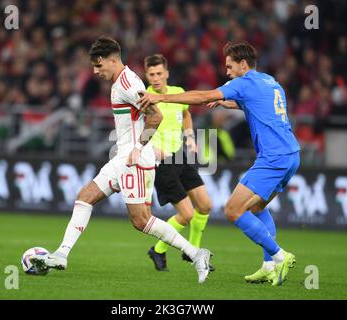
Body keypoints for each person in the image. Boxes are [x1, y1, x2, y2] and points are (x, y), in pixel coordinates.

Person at [29, 37, 212, 284]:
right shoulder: (120, 82)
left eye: (98, 65)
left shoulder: (128, 83)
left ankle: (196, 253)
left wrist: (138, 147)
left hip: (135, 159)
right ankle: (62, 254)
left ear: (112, 60)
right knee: (84, 198)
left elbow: (155, 116)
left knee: (141, 221)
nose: (95, 71)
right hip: (122, 157)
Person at [138, 42, 299, 286]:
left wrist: (161, 97)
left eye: (230, 66)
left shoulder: (244, 82)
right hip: (291, 155)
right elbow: (255, 104)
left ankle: (279, 256)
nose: (227, 72)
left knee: (233, 210)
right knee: (257, 208)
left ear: (243, 65)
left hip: (273, 157)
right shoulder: (270, 82)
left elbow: (203, 97)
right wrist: (229, 103)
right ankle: (268, 266)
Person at [144, 54, 214, 272]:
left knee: (205, 206)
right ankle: (158, 249)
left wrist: (190, 137)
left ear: (166, 73)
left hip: (180, 156)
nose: (155, 78)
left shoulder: (178, 93)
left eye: (158, 73)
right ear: (146, 75)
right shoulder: (144, 97)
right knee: (186, 214)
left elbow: (185, 115)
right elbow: (135, 127)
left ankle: (191, 250)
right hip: (162, 162)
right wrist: (150, 148)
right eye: (151, 74)